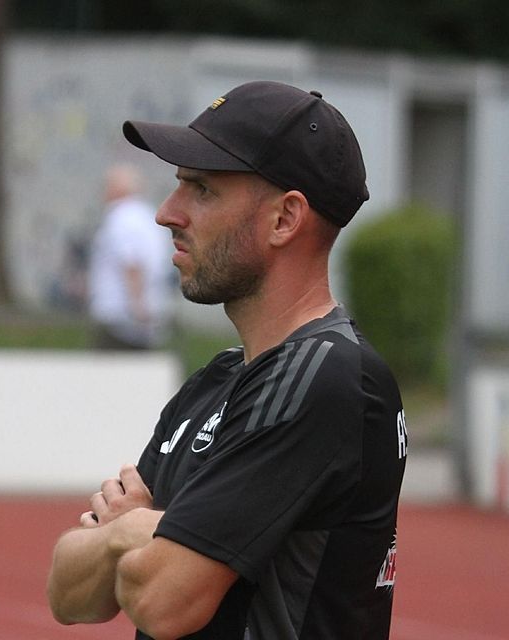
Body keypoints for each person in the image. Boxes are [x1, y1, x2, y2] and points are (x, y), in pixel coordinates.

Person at [48, 80, 408, 639]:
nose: (168, 213)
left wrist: (125, 531)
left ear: (285, 219)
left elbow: (163, 600)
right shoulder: (219, 378)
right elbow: (69, 593)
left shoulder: (324, 377)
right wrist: (152, 532)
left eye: (203, 189)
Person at [87, 163, 174, 350]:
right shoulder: (147, 215)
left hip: (121, 319)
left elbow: (132, 262)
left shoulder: (122, 216)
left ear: (117, 188)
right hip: (146, 316)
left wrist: (138, 308)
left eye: (107, 185)